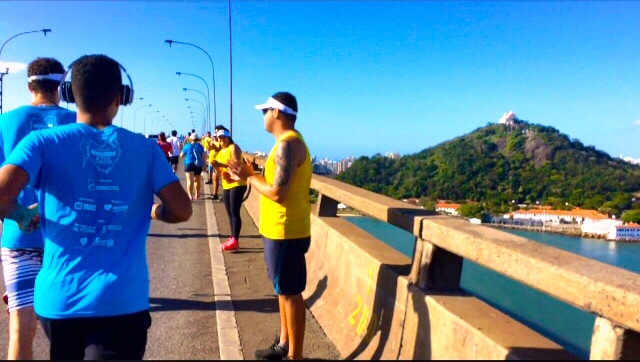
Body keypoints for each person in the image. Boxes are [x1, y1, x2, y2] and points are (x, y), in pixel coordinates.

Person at [0, 54, 192, 360]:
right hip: (122, 302)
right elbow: (183, 210)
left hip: (59, 304)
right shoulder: (146, 149)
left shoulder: (40, 143)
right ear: (121, 97)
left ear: (71, 95)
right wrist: (155, 211)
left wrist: (22, 214)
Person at [0, 57, 77, 360]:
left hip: (19, 240)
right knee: (70, 328)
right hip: (68, 240)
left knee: (21, 328)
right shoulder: (77, 122)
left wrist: (20, 213)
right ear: (61, 85)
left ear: (28, 84)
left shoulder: (5, 122)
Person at [228, 92, 311, 360]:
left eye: (265, 111)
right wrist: (250, 174)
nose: (263, 116)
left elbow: (278, 193)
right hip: (279, 229)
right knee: (282, 290)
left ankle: (294, 356)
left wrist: (249, 178)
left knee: (291, 294)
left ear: (276, 112)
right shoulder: (284, 144)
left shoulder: (289, 145)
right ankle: (284, 344)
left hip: (286, 231)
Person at [212, 128, 247, 251]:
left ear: (228, 137)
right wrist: (218, 168)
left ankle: (235, 240)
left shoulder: (234, 147)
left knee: (234, 211)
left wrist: (220, 165)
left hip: (238, 183)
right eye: (218, 138)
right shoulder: (221, 151)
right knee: (229, 213)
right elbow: (220, 171)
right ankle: (233, 238)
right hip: (227, 183)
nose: (220, 140)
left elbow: (237, 164)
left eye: (222, 137)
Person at [181, 133, 206, 200]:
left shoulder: (187, 146)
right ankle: (197, 193)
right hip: (198, 165)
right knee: (197, 180)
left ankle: (190, 195)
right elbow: (204, 156)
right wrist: (204, 166)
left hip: (189, 163)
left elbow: (182, 155)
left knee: (189, 180)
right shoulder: (200, 146)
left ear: (191, 139)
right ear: (197, 139)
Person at [208, 125, 228, 200]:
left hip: (222, 163)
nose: (216, 133)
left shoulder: (223, 141)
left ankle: (224, 196)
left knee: (224, 179)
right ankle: (215, 194)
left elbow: (220, 148)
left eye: (217, 131)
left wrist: (213, 146)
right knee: (215, 178)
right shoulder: (216, 140)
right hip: (216, 162)